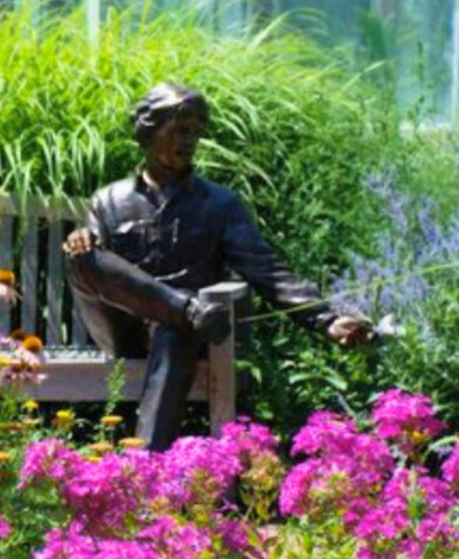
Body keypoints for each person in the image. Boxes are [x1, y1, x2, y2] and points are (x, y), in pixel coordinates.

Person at [64, 83, 371, 450]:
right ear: (149, 130)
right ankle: (184, 309)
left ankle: (146, 473)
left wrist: (326, 319)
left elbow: (266, 270)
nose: (189, 140)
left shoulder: (220, 204)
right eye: (179, 130)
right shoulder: (109, 200)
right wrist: (82, 240)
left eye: (195, 132)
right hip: (125, 330)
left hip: (190, 335)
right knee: (82, 254)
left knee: (177, 328)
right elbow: (100, 273)